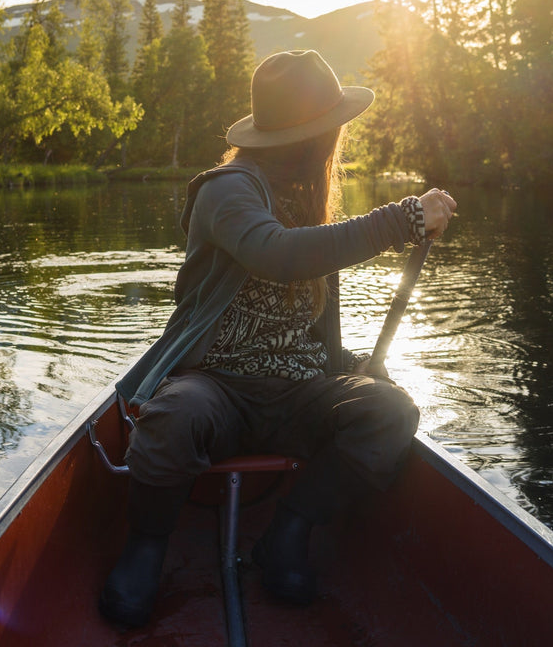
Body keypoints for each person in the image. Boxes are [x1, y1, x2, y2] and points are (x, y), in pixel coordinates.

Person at [99, 49, 457, 627]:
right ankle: (145, 547)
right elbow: (278, 255)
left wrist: (349, 363)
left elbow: (303, 317)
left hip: (298, 388)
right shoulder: (227, 190)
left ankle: (287, 533)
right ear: (311, 136)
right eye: (331, 128)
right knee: (172, 417)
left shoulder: (310, 194)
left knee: (390, 411)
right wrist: (403, 219)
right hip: (216, 383)